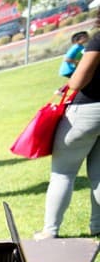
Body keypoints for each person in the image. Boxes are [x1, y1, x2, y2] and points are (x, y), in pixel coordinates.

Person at [36, 26, 100, 239]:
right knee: (99, 175)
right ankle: (97, 225)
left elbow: (78, 81)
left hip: (86, 112)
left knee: (63, 173)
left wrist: (72, 79)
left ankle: (50, 231)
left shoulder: (98, 40)